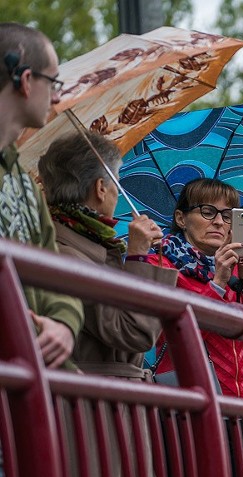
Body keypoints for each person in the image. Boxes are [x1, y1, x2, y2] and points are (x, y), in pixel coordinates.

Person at [38, 131, 177, 378]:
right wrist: (136, 256)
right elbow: (134, 332)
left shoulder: (87, 245)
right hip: (96, 401)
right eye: (117, 181)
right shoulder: (65, 256)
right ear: (101, 188)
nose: (117, 192)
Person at [146, 177, 243, 399]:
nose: (218, 222)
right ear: (181, 218)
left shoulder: (236, 267)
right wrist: (217, 284)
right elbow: (176, 336)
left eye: (227, 216)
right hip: (190, 402)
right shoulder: (160, 264)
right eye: (207, 211)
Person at [0, 22, 83, 369]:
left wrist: (64, 323)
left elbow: (57, 272)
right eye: (54, 82)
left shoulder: (27, 186)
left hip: (30, 375)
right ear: (27, 79)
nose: (58, 96)